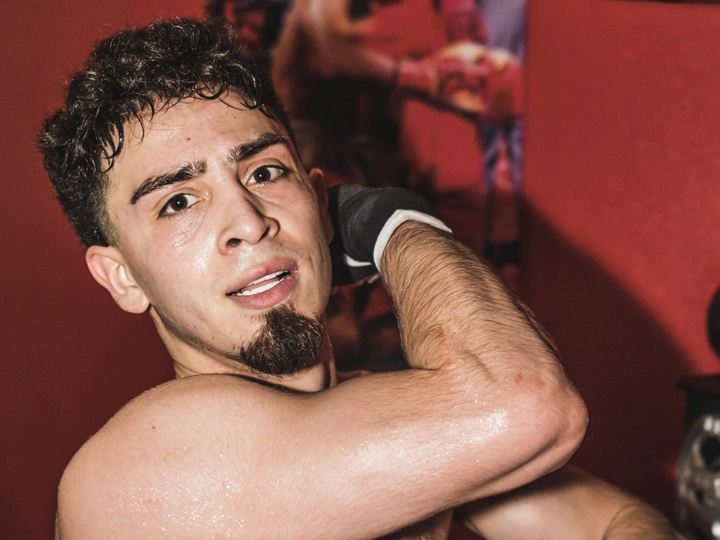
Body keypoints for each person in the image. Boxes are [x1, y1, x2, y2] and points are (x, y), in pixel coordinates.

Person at [37, 18, 673, 539]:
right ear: (122, 277)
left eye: (263, 172)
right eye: (178, 201)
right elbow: (527, 403)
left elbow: (614, 522)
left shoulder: (376, 412)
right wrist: (394, 220)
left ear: (318, 203)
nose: (249, 223)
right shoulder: (135, 473)